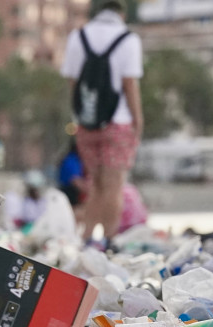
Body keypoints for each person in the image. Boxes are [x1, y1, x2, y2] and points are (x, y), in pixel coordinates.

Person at [60, 0, 143, 248]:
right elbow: (129, 85)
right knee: (114, 185)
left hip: (87, 124)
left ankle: (87, 238)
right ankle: (108, 240)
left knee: (94, 183)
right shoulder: (128, 39)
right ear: (122, 11)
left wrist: (82, 117)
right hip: (118, 122)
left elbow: (73, 84)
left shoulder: (78, 37)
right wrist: (138, 121)